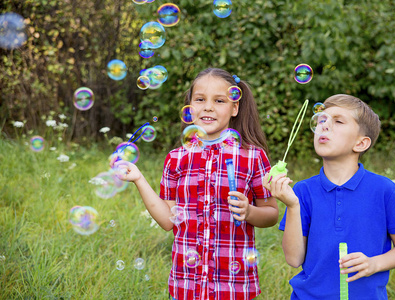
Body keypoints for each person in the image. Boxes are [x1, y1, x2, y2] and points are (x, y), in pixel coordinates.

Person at [114, 68, 279, 300]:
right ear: (189, 107)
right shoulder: (176, 158)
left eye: (219, 101)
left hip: (234, 287)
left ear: (235, 108)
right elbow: (167, 220)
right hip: (186, 285)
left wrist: (249, 211)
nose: (208, 107)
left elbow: (272, 213)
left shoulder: (253, 157)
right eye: (200, 99)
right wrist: (139, 179)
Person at [263, 94, 395, 299]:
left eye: (338, 121)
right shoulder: (303, 191)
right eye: (322, 120)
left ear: (361, 143)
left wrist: (374, 263)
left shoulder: (383, 189)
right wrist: (292, 206)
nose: (324, 126)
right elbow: (293, 258)